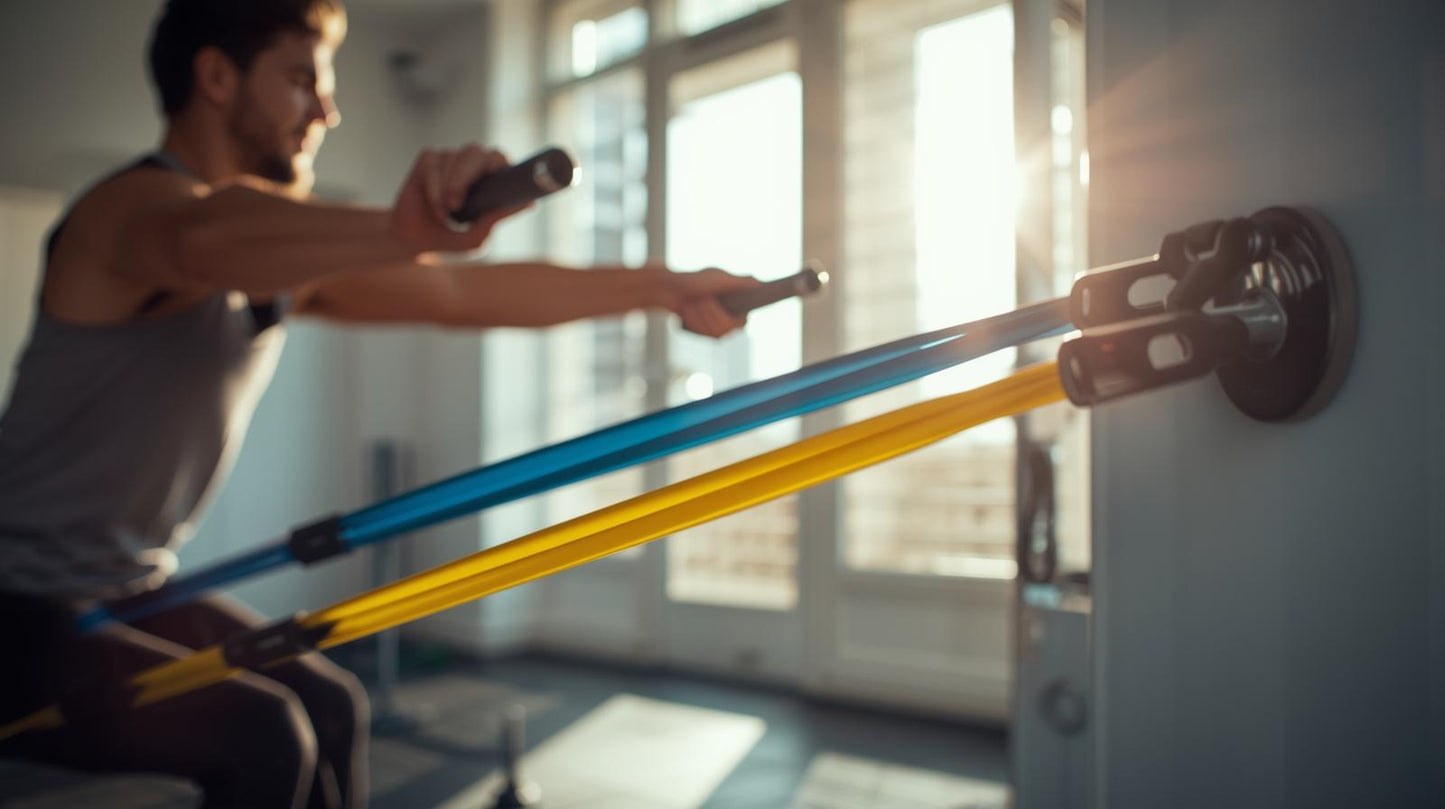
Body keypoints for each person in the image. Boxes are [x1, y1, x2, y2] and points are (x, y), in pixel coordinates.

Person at [0, 1, 757, 806]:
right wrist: (402, 228)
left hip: (129, 585)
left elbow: (459, 291)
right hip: (15, 601)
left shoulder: (278, 263)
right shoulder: (124, 213)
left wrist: (666, 287)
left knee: (332, 704)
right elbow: (201, 238)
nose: (325, 110)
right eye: (301, 79)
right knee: (263, 734)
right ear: (216, 76)